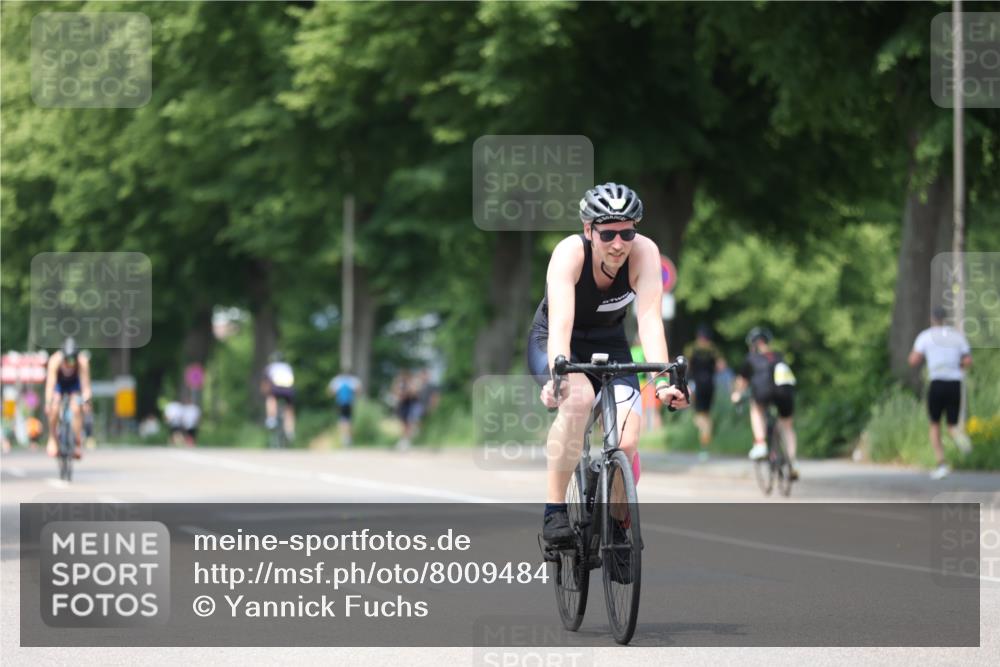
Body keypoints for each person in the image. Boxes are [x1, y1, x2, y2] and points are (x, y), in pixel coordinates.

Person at [527, 182, 688, 550]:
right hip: (556, 337)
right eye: (609, 233)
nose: (619, 243)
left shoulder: (644, 252)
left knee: (628, 440)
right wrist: (558, 375)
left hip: (610, 342)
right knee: (579, 399)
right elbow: (562, 325)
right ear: (589, 230)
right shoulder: (570, 254)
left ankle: (616, 529)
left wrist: (664, 382)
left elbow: (648, 320)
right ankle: (554, 513)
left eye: (627, 232)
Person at [909, 306, 972, 480]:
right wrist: (957, 366)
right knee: (952, 425)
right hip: (955, 383)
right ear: (946, 319)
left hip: (937, 382)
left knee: (934, 424)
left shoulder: (926, 336)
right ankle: (964, 444)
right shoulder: (957, 337)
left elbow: (913, 360)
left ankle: (941, 463)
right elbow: (967, 360)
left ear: (932, 319)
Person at [730, 327, 798, 479]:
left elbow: (742, 382)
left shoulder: (751, 358)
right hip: (785, 393)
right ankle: (793, 462)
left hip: (763, 392)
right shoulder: (778, 356)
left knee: (756, 409)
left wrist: (736, 395)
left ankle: (760, 444)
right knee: (787, 426)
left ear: (752, 344)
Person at [684, 324, 727, 461]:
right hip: (710, 384)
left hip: (696, 384)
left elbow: (686, 366)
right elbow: (721, 366)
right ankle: (706, 440)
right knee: (706, 413)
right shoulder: (713, 349)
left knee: (697, 414)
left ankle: (704, 438)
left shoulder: (692, 348)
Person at [44, 337, 91, 460]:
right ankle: (52, 438)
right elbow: (50, 385)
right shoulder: (54, 361)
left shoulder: (82, 362)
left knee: (76, 407)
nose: (69, 364)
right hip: (59, 385)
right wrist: (48, 403)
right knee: (54, 407)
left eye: (72, 361)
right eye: (67, 360)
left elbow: (86, 386)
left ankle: (76, 441)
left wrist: (86, 401)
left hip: (74, 385)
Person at [261, 352, 295, 442]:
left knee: (271, 398)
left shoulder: (270, 367)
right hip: (289, 390)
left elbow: (266, 382)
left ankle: (271, 419)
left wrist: (265, 393)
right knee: (289, 409)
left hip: (276, 389)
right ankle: (290, 431)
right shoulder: (288, 367)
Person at [328, 370, 362, 447]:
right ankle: (348, 438)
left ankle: (344, 438)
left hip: (340, 403)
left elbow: (331, 392)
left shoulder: (337, 380)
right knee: (349, 420)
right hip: (350, 403)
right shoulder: (352, 380)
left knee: (342, 420)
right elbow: (358, 390)